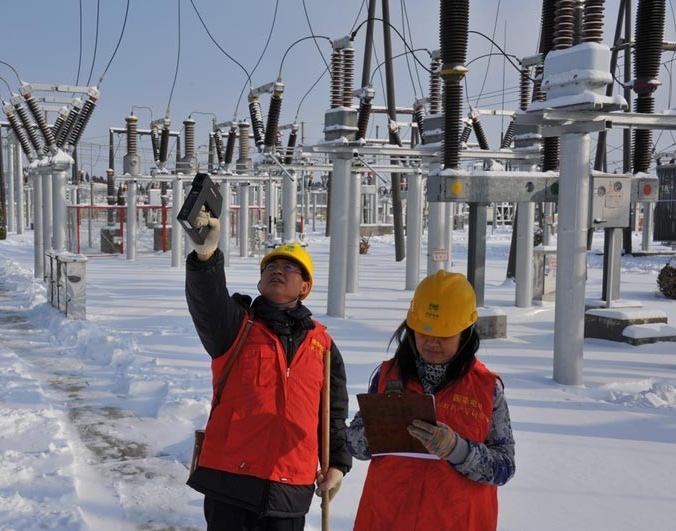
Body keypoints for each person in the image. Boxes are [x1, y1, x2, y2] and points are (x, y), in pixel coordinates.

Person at [185, 208, 352, 531]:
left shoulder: (323, 346)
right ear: (260, 282)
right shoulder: (235, 327)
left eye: (289, 267)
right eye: (271, 267)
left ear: (305, 287)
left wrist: (338, 465)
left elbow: (332, 414)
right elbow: (207, 301)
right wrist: (206, 258)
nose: (278, 270)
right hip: (230, 479)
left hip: (291, 488)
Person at [347, 270, 516, 530]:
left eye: (444, 335)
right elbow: (354, 445)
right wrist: (379, 432)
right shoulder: (386, 376)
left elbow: (504, 466)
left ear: (465, 333)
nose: (432, 343)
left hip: (457, 522)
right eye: (424, 333)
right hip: (387, 519)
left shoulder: (487, 389)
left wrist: (458, 450)